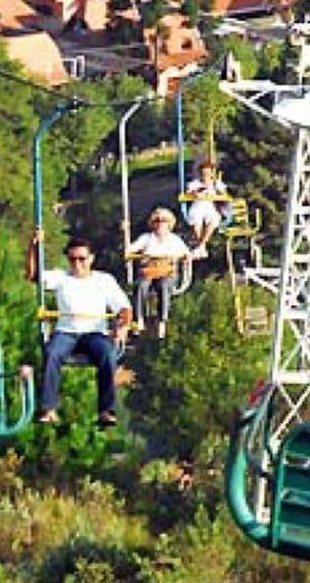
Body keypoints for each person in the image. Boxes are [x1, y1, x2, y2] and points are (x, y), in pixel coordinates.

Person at [26, 232, 132, 426]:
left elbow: (123, 308)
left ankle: (106, 410)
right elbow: (33, 275)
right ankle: (48, 408)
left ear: (91, 259)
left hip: (94, 333)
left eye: (82, 259)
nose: (77, 264)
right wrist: (34, 247)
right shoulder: (61, 277)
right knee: (52, 353)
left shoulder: (104, 280)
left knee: (108, 355)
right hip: (66, 332)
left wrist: (122, 327)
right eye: (72, 259)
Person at [126, 207, 191, 338]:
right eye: (157, 220)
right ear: (153, 223)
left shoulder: (175, 240)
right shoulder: (146, 238)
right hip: (149, 271)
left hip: (167, 272)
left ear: (169, 223)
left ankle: (162, 321)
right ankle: (139, 319)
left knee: (163, 286)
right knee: (141, 285)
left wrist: (181, 257)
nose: (160, 223)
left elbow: (186, 254)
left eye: (164, 220)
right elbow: (130, 250)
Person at [184, 159, 231, 258]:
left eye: (207, 172)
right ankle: (201, 246)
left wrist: (218, 194)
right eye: (203, 172)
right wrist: (195, 193)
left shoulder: (216, 184)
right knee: (195, 219)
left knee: (213, 220)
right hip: (198, 205)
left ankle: (201, 245)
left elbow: (225, 195)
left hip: (210, 206)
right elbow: (188, 193)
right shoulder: (195, 184)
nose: (205, 175)